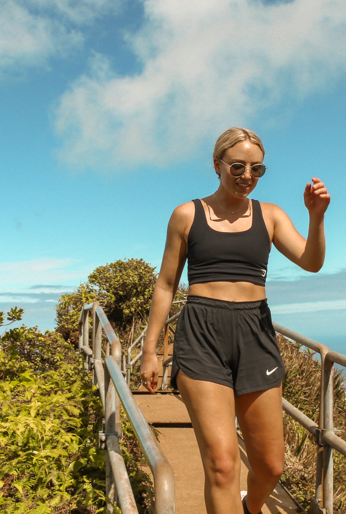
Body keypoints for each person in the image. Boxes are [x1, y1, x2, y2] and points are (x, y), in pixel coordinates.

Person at [140, 127, 330, 514]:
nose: (247, 177)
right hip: (201, 335)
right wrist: (151, 350)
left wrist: (316, 217)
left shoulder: (271, 215)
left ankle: (250, 508)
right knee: (223, 465)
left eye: (257, 170)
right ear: (217, 165)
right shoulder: (187, 215)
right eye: (238, 167)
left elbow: (311, 262)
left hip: (255, 334)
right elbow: (165, 285)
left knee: (271, 466)